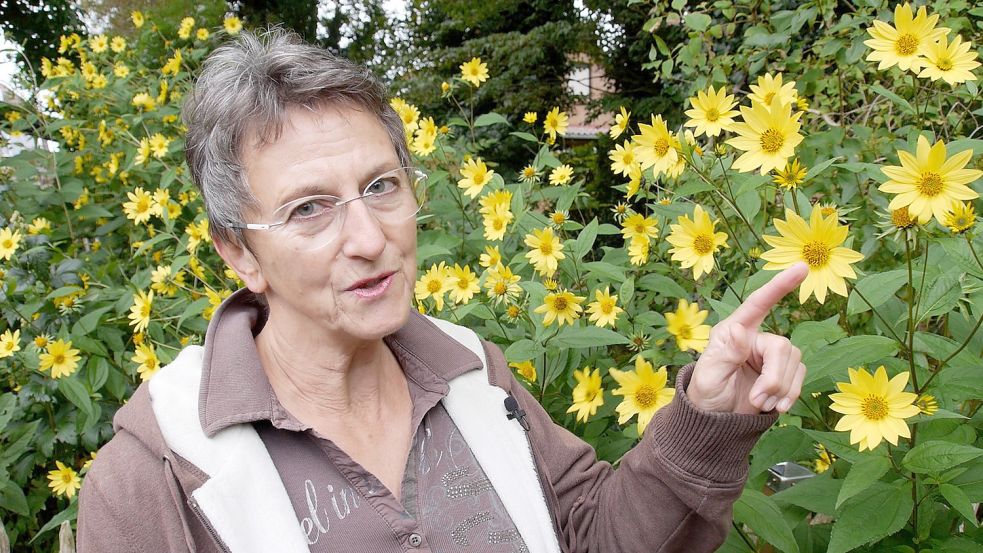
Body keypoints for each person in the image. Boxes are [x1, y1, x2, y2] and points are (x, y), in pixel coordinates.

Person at [77, 28, 809, 553]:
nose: (370, 237)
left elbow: (592, 535)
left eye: (380, 185)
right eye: (308, 208)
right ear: (238, 250)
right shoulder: (159, 470)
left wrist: (706, 417)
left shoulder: (472, 373)